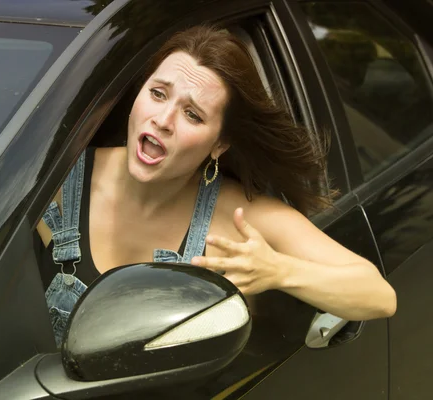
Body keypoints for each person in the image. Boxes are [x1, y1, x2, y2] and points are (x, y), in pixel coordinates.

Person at [34, 25, 397, 346]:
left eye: (192, 114)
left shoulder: (237, 219)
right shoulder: (56, 183)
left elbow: (378, 295)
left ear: (219, 144)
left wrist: (278, 271)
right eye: (158, 94)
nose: (162, 119)